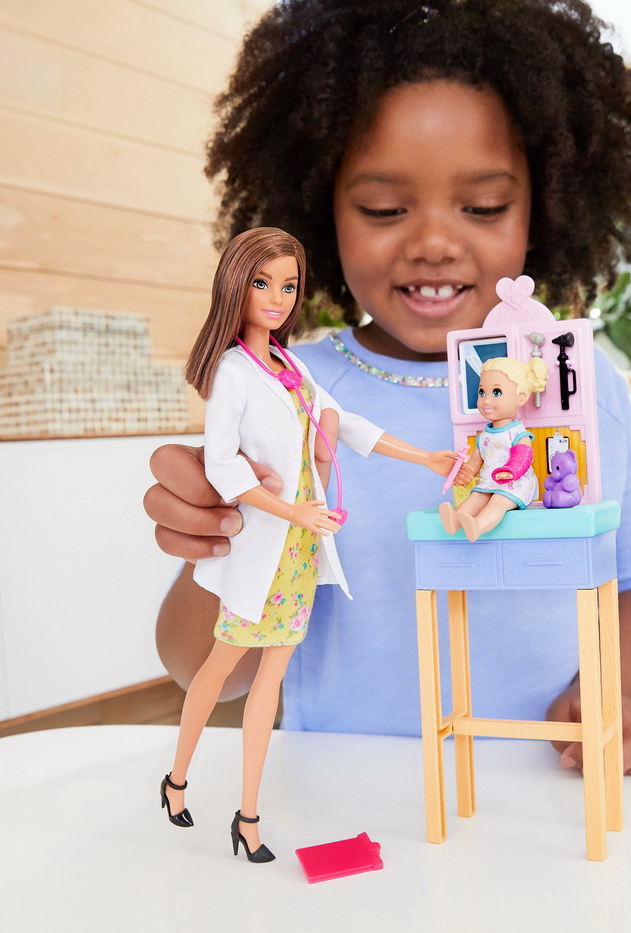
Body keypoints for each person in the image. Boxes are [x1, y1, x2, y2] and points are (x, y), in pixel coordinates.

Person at [144, 0, 631, 777]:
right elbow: (193, 665)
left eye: (484, 206)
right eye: (385, 208)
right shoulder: (286, 392)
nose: (433, 242)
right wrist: (224, 533)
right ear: (321, 210)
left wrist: (608, 694)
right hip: (342, 795)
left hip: (543, 793)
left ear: (543, 209)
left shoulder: (581, 384)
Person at [159, 226, 455, 860]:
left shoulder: (292, 368)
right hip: (265, 544)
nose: (277, 298)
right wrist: (291, 509)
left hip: (299, 552)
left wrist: (425, 458)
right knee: (218, 667)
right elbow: (224, 467)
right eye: (262, 283)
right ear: (235, 286)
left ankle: (247, 817)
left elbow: (348, 425)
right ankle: (177, 779)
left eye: (288, 286)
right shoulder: (232, 372)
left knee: (271, 681)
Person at [439, 355, 551, 542]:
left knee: (497, 503)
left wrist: (511, 470)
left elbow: (523, 457)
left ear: (521, 398)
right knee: (475, 498)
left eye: (496, 392)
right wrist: (464, 473)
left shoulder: (517, 433)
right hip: (489, 483)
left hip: (515, 485)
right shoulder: (483, 437)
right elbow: (474, 464)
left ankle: (478, 526)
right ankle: (456, 521)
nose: (486, 400)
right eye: (482, 392)